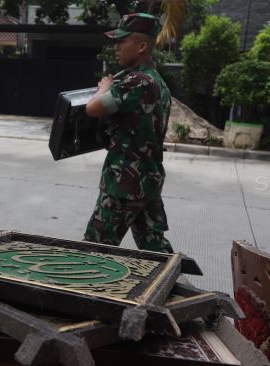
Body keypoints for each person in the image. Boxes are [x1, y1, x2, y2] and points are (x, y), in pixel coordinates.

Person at [82, 13, 173, 253]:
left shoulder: (136, 81)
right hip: (149, 179)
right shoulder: (158, 82)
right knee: (154, 248)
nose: (116, 47)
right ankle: (176, 284)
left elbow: (92, 109)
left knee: (94, 249)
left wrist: (103, 88)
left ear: (142, 46)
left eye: (122, 41)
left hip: (124, 182)